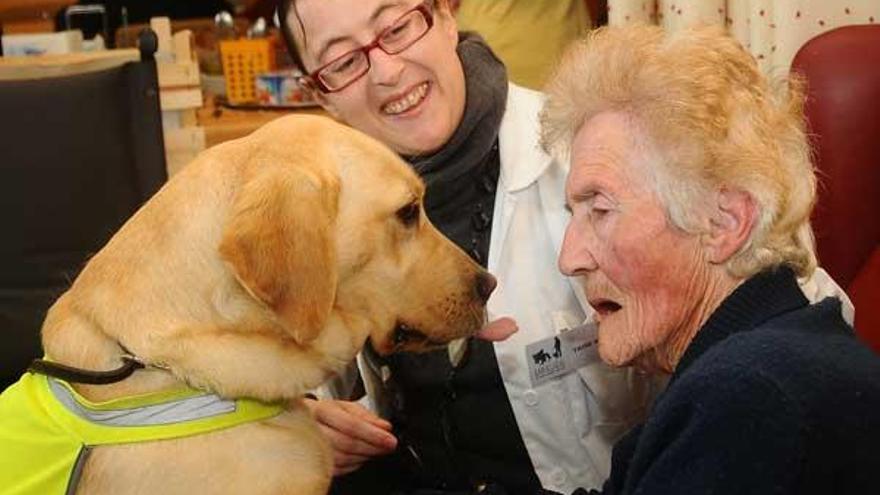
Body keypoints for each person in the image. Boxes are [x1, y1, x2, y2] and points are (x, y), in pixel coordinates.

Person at [277, 1, 852, 492]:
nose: (385, 70)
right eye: (345, 61)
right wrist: (301, 419)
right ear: (318, 93)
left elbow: (806, 329)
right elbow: (290, 367)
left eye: (398, 26)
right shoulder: (320, 210)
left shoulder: (600, 147)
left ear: (447, 14)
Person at [540, 25, 879, 494]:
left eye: (600, 210)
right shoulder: (767, 359)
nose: (569, 258)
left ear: (725, 223)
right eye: (572, 215)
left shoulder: (749, 396)